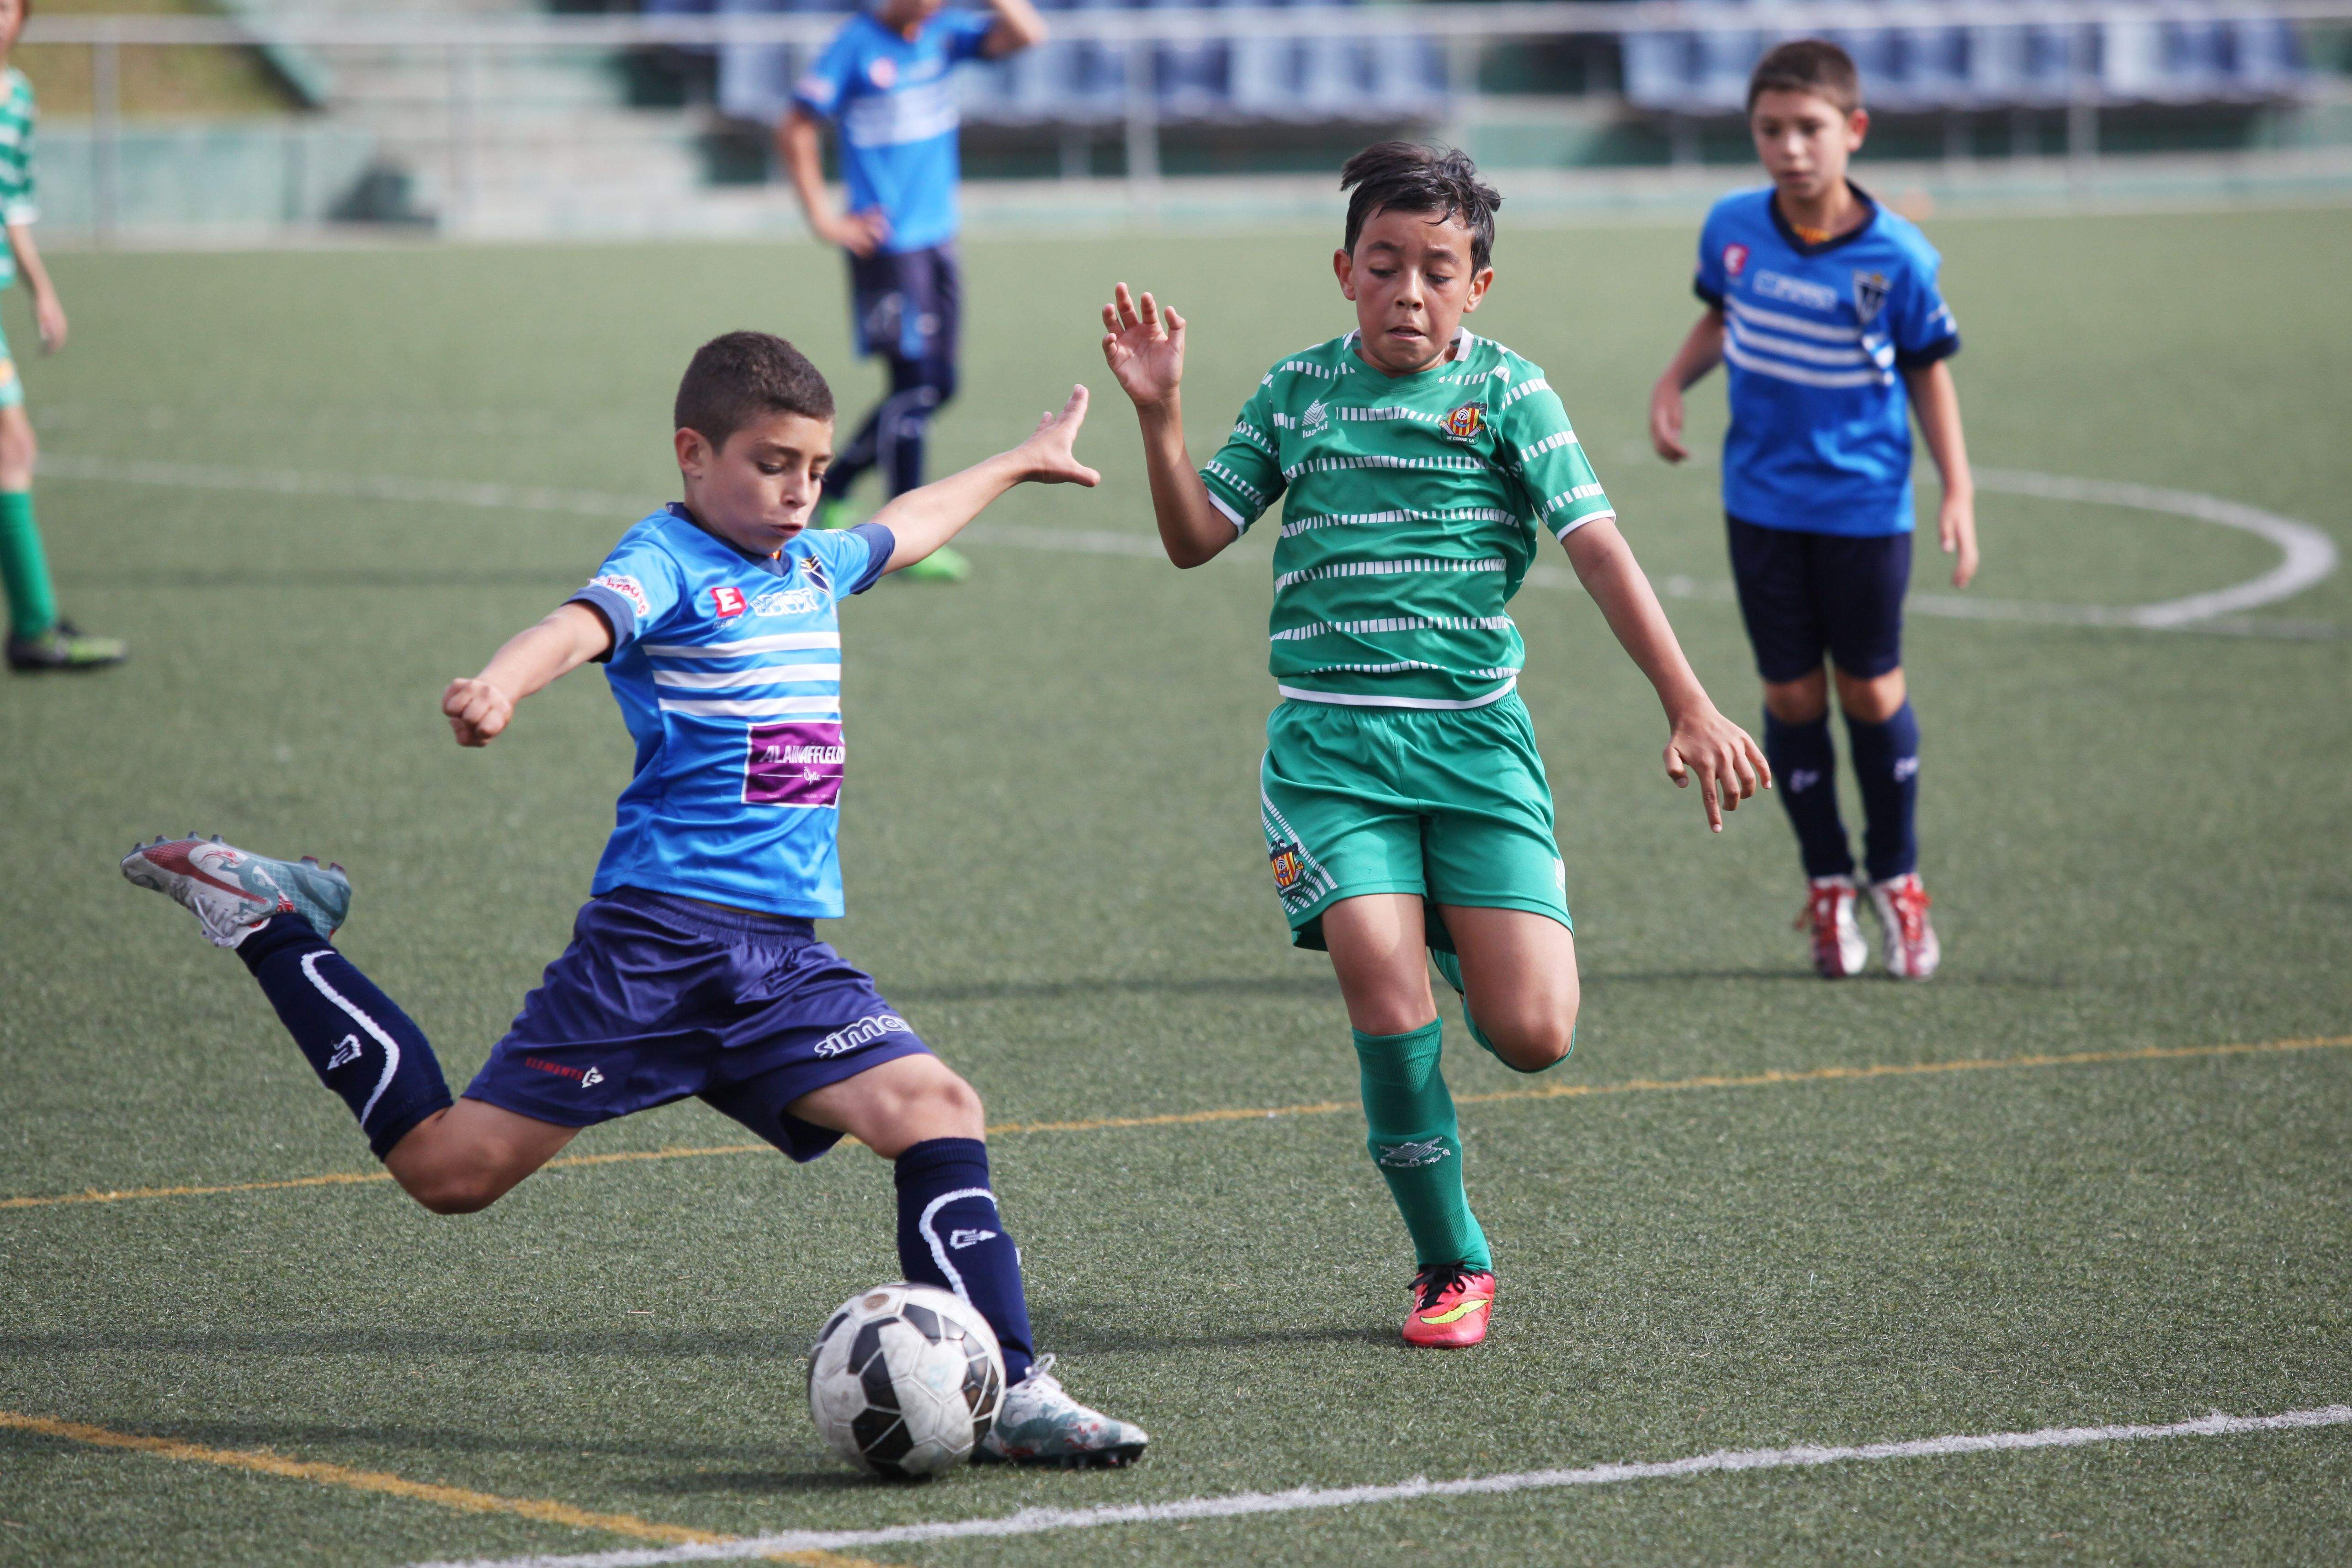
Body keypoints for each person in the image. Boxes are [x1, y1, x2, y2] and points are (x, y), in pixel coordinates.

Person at [121, 332, 1146, 1468]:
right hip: (654, 948)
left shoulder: (809, 564)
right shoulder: (663, 559)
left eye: (812, 466)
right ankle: (271, 921)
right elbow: (576, 625)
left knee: (937, 1108)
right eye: (771, 464)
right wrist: (502, 683)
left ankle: (1016, 1386)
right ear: (693, 453)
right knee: (447, 1172)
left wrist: (1016, 458)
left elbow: (908, 522)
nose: (800, 489)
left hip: (778, 962)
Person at [1099, 144, 1767, 1349]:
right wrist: (1162, 418)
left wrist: (1689, 699)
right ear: (1345, 272)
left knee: (1531, 1035)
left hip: (1474, 748)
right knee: (1378, 977)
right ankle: (1448, 1260)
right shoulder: (1297, 391)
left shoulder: (1513, 394)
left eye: (1437, 270)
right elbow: (1198, 535)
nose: (1409, 289)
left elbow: (1600, 547)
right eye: (1385, 264)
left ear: (1478, 289)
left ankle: (1460, 922)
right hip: (1330, 750)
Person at [1649, 39, 1977, 981]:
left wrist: (1955, 486)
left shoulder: (1898, 256)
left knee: (1868, 690)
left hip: (1864, 505)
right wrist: (1674, 378)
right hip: (1757, 501)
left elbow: (1925, 370)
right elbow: (1724, 312)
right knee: (1790, 696)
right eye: (1769, 129)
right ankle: (1827, 881)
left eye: (1808, 128)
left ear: (1852, 131)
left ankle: (1896, 878)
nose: (1789, 147)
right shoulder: (1730, 226)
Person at [778, 0, 1047, 585]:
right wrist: (825, 219)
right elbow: (796, 125)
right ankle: (907, 541)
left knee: (939, 385)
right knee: (915, 385)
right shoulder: (855, 44)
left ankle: (838, 485)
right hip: (888, 249)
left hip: (937, 241)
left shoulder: (943, 35)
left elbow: (1027, 33)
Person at [0, 0, 123, 673]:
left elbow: (12, 205)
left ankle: (33, 625)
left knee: (12, 447)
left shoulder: (18, 98)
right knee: (12, 446)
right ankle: (34, 626)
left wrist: (40, 288)